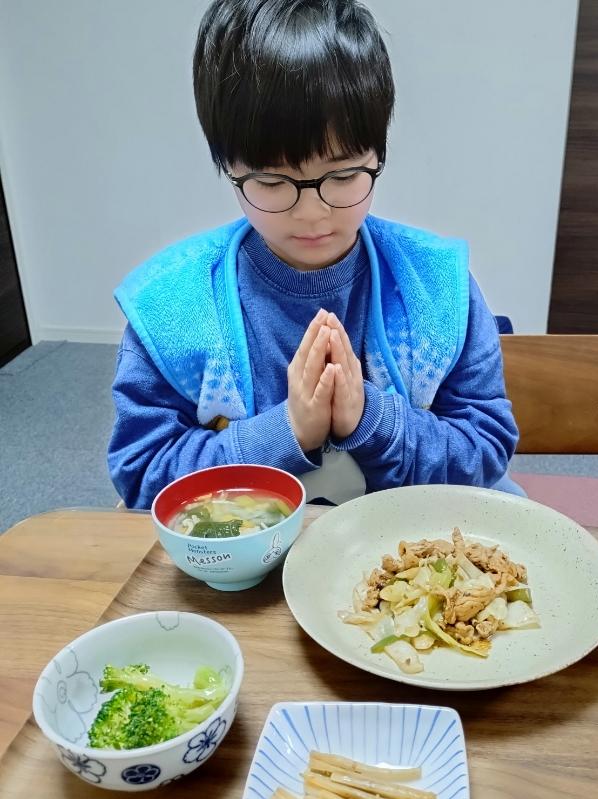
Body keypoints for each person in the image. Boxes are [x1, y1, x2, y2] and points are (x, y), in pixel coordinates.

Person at [108, 0, 520, 509]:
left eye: (343, 175)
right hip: (253, 554)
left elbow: (485, 449)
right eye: (271, 181)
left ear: (379, 154)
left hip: (409, 542)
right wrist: (287, 431)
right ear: (228, 167)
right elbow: (142, 473)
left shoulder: (437, 287)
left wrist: (372, 419)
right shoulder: (175, 305)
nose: (311, 213)